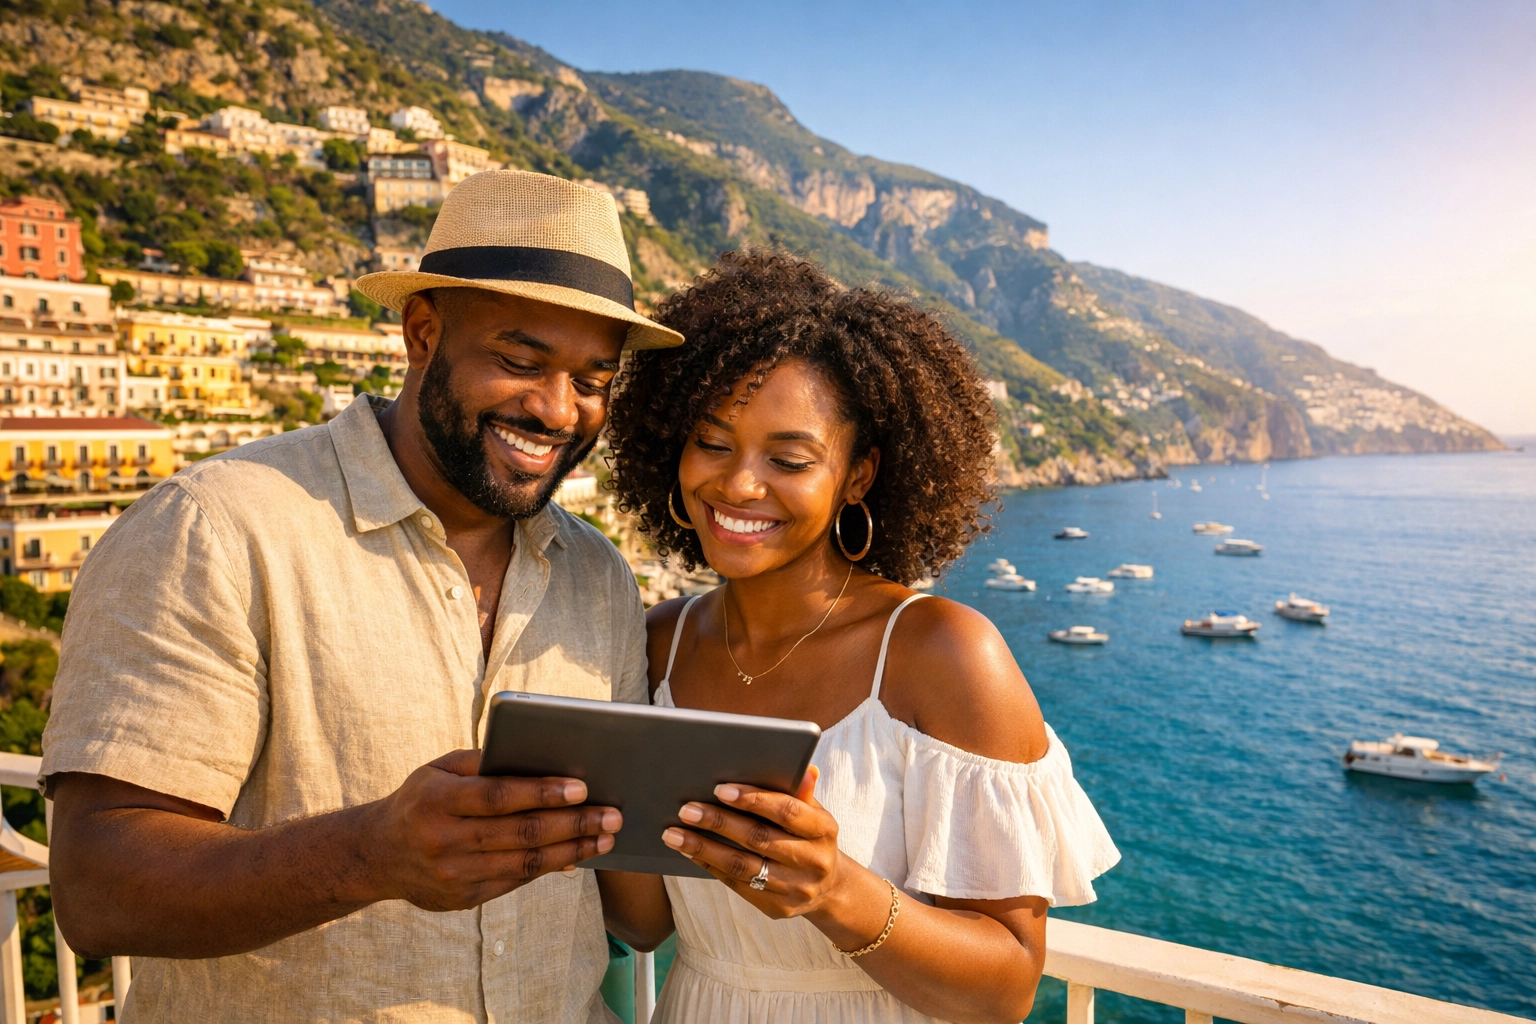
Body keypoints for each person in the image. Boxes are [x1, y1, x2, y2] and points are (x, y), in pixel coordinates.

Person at [39, 170, 684, 1023]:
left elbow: (629, 906)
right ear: (422, 333)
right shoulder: (220, 527)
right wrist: (369, 856)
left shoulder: (598, 575)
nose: (556, 409)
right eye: (519, 360)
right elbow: (97, 890)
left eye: (594, 381)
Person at [599, 251, 1120, 1023]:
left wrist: (835, 890)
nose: (739, 484)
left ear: (859, 475)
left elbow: (1008, 989)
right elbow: (645, 923)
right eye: (712, 444)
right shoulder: (656, 644)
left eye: (788, 459)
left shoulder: (943, 653)